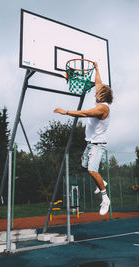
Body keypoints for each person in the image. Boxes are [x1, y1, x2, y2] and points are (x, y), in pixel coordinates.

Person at [54, 61, 113, 215]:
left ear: (101, 96)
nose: (95, 93)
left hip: (98, 144)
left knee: (92, 170)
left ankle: (105, 198)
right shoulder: (100, 97)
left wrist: (65, 112)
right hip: (90, 142)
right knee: (85, 166)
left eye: (97, 92)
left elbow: (85, 113)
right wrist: (97, 68)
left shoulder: (102, 108)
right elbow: (99, 82)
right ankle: (101, 181)